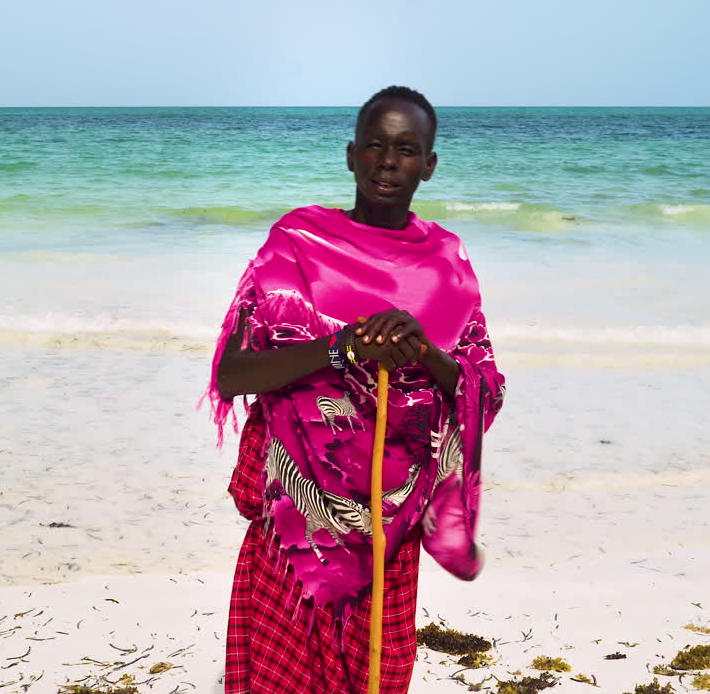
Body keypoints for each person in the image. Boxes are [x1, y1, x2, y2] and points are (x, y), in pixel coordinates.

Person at [204, 86, 506, 694]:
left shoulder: (447, 260)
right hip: (296, 516)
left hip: (388, 521)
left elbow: (484, 387)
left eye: (406, 149)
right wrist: (344, 348)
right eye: (374, 144)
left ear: (429, 164)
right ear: (350, 155)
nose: (388, 161)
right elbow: (233, 373)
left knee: (377, 674)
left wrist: (424, 351)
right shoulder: (297, 241)